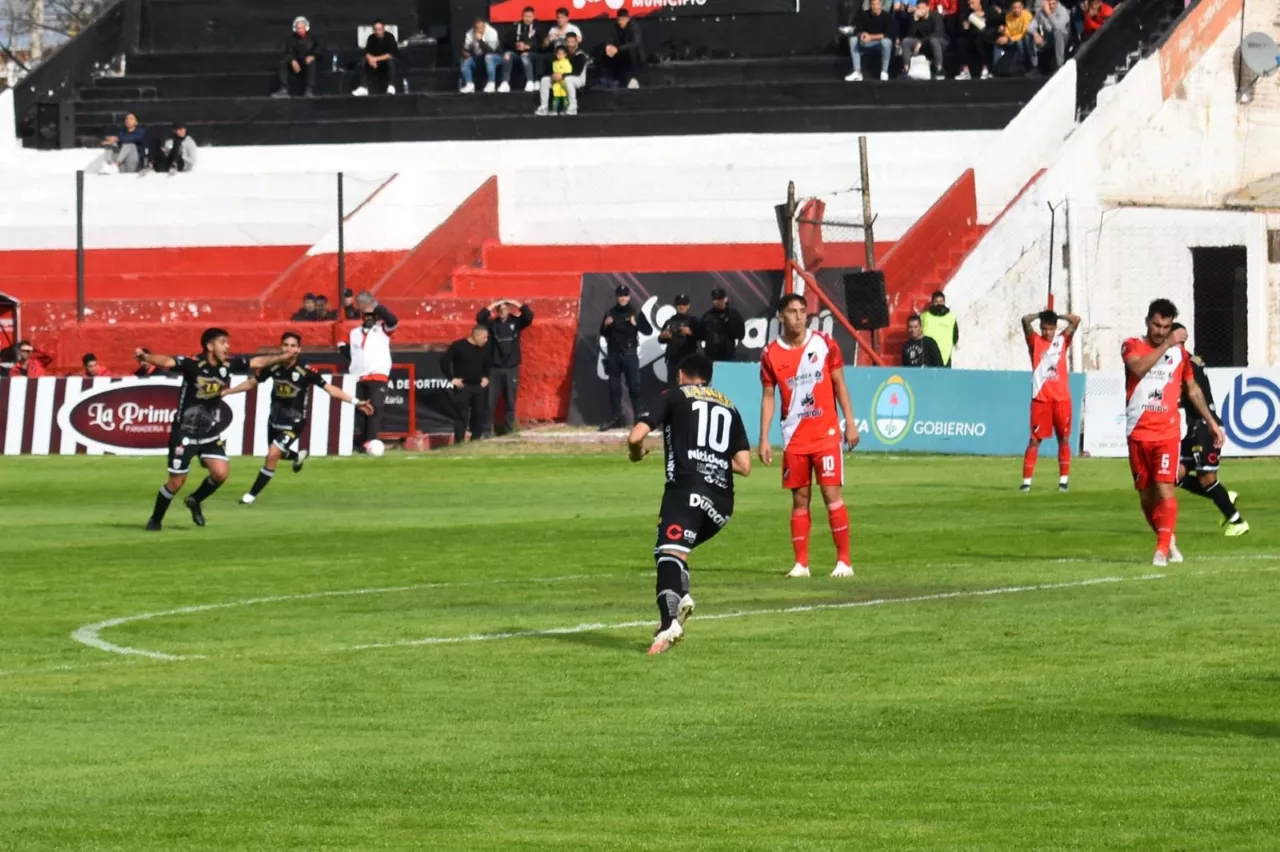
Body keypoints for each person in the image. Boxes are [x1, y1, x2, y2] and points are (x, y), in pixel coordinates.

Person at [628, 352, 751, 655]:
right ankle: (681, 597)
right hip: (722, 503)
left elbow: (635, 437)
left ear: (681, 374)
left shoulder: (673, 395)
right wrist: (711, 459)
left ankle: (669, 622)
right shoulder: (729, 405)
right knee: (676, 551)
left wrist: (637, 454)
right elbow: (744, 465)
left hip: (686, 491)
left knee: (667, 554)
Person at [136, 328, 290, 530]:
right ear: (210, 346)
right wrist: (146, 357)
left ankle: (195, 500)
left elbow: (257, 362)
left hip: (208, 432)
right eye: (222, 342)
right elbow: (167, 362)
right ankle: (156, 519)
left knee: (220, 473)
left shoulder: (228, 365)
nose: (227, 346)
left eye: (227, 342)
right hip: (185, 432)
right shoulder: (193, 364)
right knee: (176, 482)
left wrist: (282, 357)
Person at [759, 293, 861, 579]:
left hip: (826, 434)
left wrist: (850, 423)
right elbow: (768, 396)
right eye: (792, 311)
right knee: (800, 499)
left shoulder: (824, 344)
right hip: (794, 438)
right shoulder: (770, 353)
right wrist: (764, 438)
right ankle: (801, 564)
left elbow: (839, 384)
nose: (799, 316)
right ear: (781, 316)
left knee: (831, 495)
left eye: (802, 311)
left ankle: (844, 561)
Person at [1122, 299, 1224, 566]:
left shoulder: (1180, 355)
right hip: (1137, 432)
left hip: (1167, 433)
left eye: (1166, 327)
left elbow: (1192, 388)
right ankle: (1167, 539)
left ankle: (1160, 550)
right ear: (1147, 322)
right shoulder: (1131, 345)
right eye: (1157, 325)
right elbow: (1138, 369)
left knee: (1165, 487)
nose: (1161, 331)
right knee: (1146, 496)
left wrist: (1212, 422)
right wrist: (1167, 344)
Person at [222, 332, 372, 504]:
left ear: (299, 350)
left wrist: (356, 402)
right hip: (274, 420)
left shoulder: (305, 370)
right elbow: (252, 383)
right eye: (285, 345)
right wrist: (228, 391)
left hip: (294, 422)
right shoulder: (273, 367)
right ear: (281, 347)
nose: (288, 348)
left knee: (272, 454)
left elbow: (330, 389)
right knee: (278, 453)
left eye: (293, 345)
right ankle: (297, 456)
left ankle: (251, 495)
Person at [1171, 323, 1249, 536]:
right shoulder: (1190, 361)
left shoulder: (1185, 364)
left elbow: (1193, 393)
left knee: (1207, 479)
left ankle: (1237, 521)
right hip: (1195, 428)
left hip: (1205, 427)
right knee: (1174, 475)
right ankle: (1223, 496)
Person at [1019, 309, 1081, 492]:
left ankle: (1063, 481)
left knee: (1064, 439)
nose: (1047, 332)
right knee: (1034, 441)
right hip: (1041, 400)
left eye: (1051, 328)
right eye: (1044, 328)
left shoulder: (1062, 341)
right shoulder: (1034, 342)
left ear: (1055, 328)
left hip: (1062, 400)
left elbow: (1075, 320)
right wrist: (1041, 314)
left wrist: (1057, 315)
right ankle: (1026, 482)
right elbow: (1025, 320)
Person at [341, 292, 398, 451]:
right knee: (360, 409)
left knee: (375, 407)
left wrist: (375, 306)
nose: (368, 317)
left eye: (372, 314)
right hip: (358, 376)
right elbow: (350, 352)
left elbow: (393, 320)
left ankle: (372, 440)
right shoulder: (354, 333)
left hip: (378, 375)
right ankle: (362, 443)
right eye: (365, 314)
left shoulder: (383, 329)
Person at [599, 285, 653, 430]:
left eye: (625, 296)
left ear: (629, 297)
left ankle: (639, 417)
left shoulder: (635, 312)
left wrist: (637, 324)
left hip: (629, 353)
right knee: (614, 388)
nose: (622, 298)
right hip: (613, 354)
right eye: (620, 296)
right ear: (617, 297)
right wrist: (606, 326)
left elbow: (648, 330)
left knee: (634, 386)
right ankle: (616, 418)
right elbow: (602, 332)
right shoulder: (610, 313)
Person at [476, 299, 534, 436]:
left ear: (509, 310)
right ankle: (486, 432)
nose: (502, 311)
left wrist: (514, 302)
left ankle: (508, 431)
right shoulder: (492, 324)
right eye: (500, 309)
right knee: (489, 402)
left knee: (510, 402)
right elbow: (480, 318)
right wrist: (494, 305)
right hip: (494, 369)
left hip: (511, 369)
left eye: (505, 309)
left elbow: (529, 316)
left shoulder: (516, 322)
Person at [442, 325, 493, 443]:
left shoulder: (485, 348)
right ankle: (459, 442)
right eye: (484, 337)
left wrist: (486, 377)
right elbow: (444, 362)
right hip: (463, 386)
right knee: (461, 415)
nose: (486, 340)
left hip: (478, 386)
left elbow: (488, 363)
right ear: (476, 336)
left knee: (478, 414)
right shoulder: (458, 346)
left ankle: (475, 441)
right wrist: (452, 379)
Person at [536, 32, 587, 116]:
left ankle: (572, 107)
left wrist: (562, 76)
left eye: (572, 42)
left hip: (578, 79)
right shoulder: (562, 53)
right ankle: (544, 107)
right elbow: (553, 66)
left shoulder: (580, 55)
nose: (570, 44)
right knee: (545, 80)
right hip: (560, 78)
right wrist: (553, 74)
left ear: (576, 42)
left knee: (568, 80)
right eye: (568, 42)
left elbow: (577, 71)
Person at [846, 0, 895, 82]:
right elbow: (857, 29)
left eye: (877, 4)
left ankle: (884, 72)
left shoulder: (887, 16)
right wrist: (862, 34)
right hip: (866, 42)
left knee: (886, 42)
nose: (875, 7)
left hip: (880, 43)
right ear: (870, 5)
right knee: (853, 40)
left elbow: (889, 33)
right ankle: (857, 72)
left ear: (881, 4)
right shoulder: (864, 15)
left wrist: (871, 37)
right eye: (873, 4)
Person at [275, 16, 321, 98]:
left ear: (306, 28)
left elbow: (320, 48)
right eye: (298, 28)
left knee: (311, 62)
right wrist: (293, 60)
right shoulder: (292, 39)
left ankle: (309, 90)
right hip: (297, 61)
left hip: (309, 61)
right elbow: (289, 51)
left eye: (301, 28)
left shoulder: (314, 37)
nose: (299, 30)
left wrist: (313, 56)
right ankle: (284, 89)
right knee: (284, 61)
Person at [658, 294, 700, 385]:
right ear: (676, 306)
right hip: (673, 360)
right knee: (672, 385)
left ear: (688, 306)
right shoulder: (670, 321)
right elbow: (660, 339)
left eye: (684, 304)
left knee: (688, 386)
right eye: (679, 304)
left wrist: (690, 332)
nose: (681, 307)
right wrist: (663, 336)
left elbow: (702, 336)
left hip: (688, 360)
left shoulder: (694, 320)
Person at [598, 8, 643, 89]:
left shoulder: (634, 27)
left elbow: (635, 43)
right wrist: (609, 47)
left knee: (631, 51)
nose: (621, 22)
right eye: (619, 20)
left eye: (623, 20)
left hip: (634, 56)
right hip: (620, 54)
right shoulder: (615, 27)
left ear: (628, 19)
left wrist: (618, 49)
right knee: (604, 54)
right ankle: (606, 79)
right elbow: (610, 39)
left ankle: (633, 78)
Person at [352, 19, 400, 96]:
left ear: (383, 28)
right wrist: (370, 59)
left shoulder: (389, 37)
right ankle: (364, 87)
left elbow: (390, 54)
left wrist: (375, 59)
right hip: (375, 61)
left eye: (380, 29)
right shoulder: (371, 38)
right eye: (376, 30)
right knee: (362, 61)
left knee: (391, 61)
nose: (378, 32)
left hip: (386, 61)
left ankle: (391, 86)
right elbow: (366, 52)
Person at [902, 0, 948, 79]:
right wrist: (915, 20)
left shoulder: (935, 15)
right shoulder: (916, 17)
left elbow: (938, 33)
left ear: (927, 8)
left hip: (940, 42)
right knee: (906, 41)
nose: (920, 10)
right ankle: (906, 70)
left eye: (922, 8)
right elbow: (911, 35)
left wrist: (921, 42)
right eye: (918, 8)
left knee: (933, 40)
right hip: (924, 43)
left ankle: (939, 69)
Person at [460, 17, 507, 94]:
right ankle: (469, 84)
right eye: (477, 28)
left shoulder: (492, 32)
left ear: (485, 26)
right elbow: (465, 49)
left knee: (488, 57)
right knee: (466, 62)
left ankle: (491, 84)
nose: (479, 30)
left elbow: (491, 51)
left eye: (481, 28)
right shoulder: (470, 34)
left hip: (496, 57)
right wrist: (466, 53)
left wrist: (480, 41)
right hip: (479, 57)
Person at [699, 288, 746, 362]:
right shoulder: (707, 316)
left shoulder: (733, 314)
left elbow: (741, 335)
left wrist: (728, 323)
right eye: (715, 299)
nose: (717, 301)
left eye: (720, 299)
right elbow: (700, 335)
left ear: (725, 299)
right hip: (711, 356)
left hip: (728, 356)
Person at [505, 6, 542, 92]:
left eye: (530, 16)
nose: (528, 19)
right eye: (526, 16)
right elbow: (507, 42)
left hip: (533, 53)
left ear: (533, 17)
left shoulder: (538, 27)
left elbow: (541, 45)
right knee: (507, 56)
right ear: (522, 16)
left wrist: (528, 47)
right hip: (517, 52)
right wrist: (516, 45)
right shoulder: (516, 26)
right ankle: (505, 83)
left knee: (525, 56)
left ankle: (530, 81)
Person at [957, 0, 996, 80]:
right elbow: (963, 25)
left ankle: (985, 69)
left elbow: (996, 19)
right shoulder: (968, 12)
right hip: (972, 36)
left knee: (979, 40)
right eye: (969, 4)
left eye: (973, 3)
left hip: (986, 35)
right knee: (961, 41)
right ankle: (965, 70)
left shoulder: (988, 9)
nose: (971, 6)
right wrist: (965, 27)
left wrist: (984, 14)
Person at [919, 290, 958, 367]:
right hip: (928, 357)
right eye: (936, 302)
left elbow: (955, 337)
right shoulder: (924, 317)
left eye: (941, 301)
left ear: (944, 302)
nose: (939, 304)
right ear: (932, 303)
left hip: (945, 358)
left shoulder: (951, 318)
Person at [1029, 0, 1070, 72]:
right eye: (1049, 4)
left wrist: (1048, 13)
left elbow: (1059, 27)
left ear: (1057, 2)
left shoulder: (1063, 10)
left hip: (1063, 38)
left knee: (1057, 33)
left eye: (1053, 4)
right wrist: (1035, 34)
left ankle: (1059, 65)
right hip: (1048, 38)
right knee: (1029, 35)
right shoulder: (1041, 12)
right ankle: (1035, 67)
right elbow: (1030, 27)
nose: (1051, 6)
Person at [994, 0, 1033, 73]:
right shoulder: (1008, 16)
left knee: (1020, 42)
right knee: (998, 42)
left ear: (1022, 7)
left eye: (1018, 7)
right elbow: (1008, 30)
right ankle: (996, 67)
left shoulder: (1027, 15)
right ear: (1011, 8)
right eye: (1014, 8)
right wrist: (1004, 34)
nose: (1016, 10)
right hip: (1011, 39)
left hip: (1022, 39)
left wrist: (1009, 39)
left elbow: (1024, 33)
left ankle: (1023, 64)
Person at [549, 46, 572, 112]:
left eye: (562, 54)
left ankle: (565, 109)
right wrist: (554, 75)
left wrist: (561, 75)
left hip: (563, 83)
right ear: (556, 54)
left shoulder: (566, 62)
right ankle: (554, 110)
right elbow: (553, 71)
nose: (560, 55)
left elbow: (569, 71)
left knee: (565, 97)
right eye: (558, 54)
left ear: (565, 54)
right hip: (556, 83)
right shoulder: (554, 63)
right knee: (556, 97)